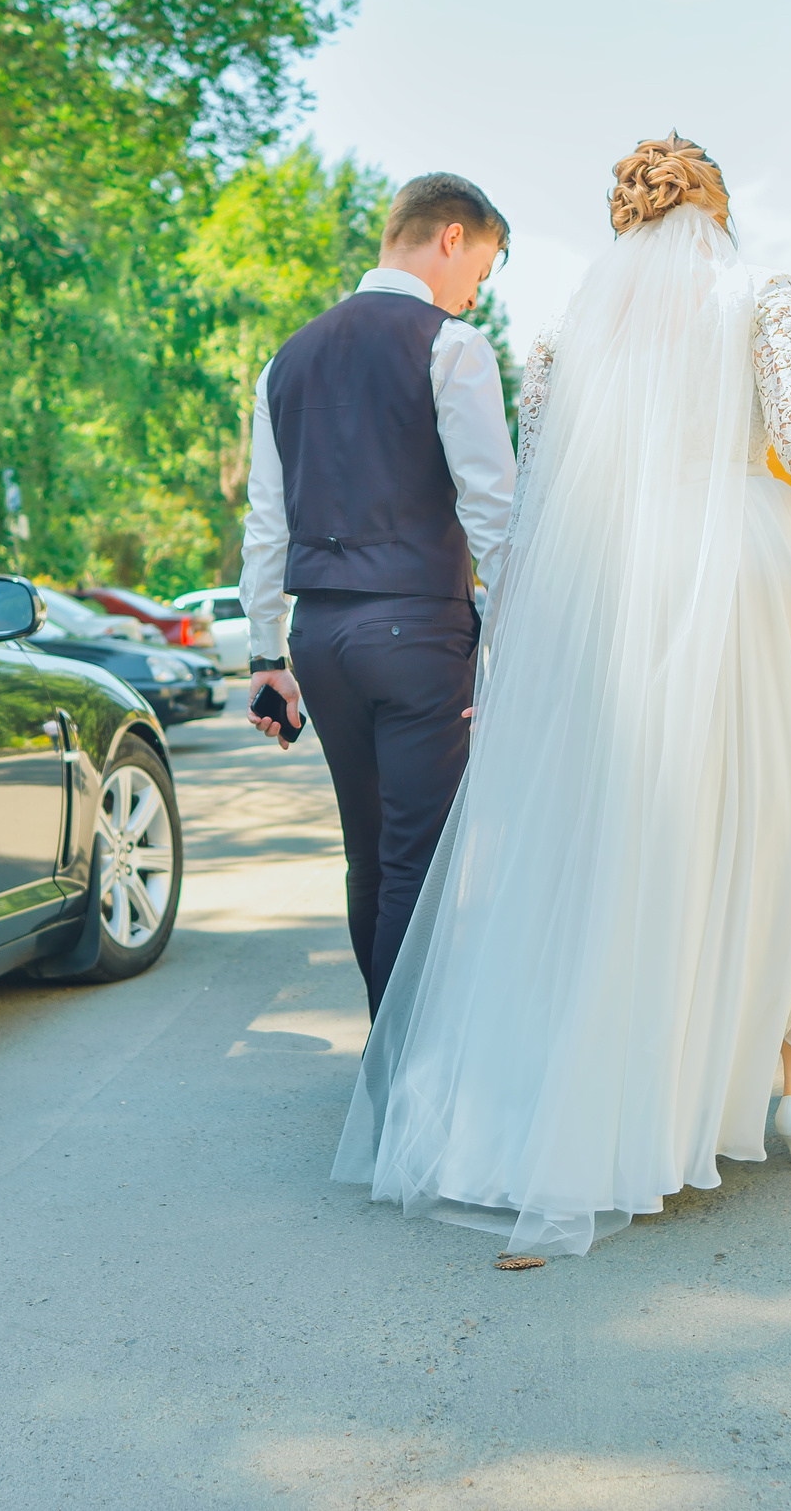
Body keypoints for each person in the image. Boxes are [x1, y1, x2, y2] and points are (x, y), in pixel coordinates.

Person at [333, 138, 791, 1257]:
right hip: (737, 587)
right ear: (717, 208)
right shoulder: (757, 290)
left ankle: (754, 1087)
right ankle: (777, 1078)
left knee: (608, 849)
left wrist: (512, 656)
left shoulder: (565, 331)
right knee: (778, 832)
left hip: (602, 597)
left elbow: (528, 512)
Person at [238, 173, 516, 1017]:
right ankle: (403, 1079)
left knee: (370, 854)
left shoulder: (285, 360)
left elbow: (265, 525)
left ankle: (384, 1067)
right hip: (418, 638)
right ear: (451, 239)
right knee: (418, 863)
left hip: (321, 643)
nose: (477, 293)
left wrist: (264, 658)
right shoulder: (453, 346)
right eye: (485, 268)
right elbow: (492, 513)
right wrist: (521, 636)